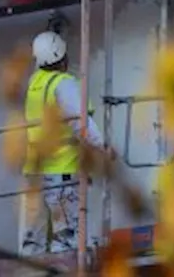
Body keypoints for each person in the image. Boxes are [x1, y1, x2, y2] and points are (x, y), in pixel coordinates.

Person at [20, 30, 108, 256]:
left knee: (33, 242)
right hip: (62, 173)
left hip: (34, 173)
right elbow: (80, 122)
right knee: (66, 238)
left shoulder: (34, 84)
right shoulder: (63, 84)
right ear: (63, 58)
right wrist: (102, 148)